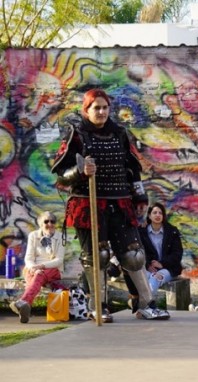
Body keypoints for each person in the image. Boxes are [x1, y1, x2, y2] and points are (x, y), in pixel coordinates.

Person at [51, 88, 169, 323]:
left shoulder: (120, 133)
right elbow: (61, 173)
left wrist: (140, 197)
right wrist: (80, 171)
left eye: (105, 107)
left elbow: (132, 169)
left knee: (134, 255)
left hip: (120, 202)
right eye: (97, 108)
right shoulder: (76, 135)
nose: (102, 112)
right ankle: (99, 306)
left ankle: (146, 303)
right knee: (98, 256)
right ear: (87, 109)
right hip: (88, 204)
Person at [11, 212, 65, 323]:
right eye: (46, 221)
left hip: (53, 269)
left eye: (52, 221)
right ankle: (25, 305)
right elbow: (28, 258)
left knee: (38, 274)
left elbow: (59, 260)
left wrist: (41, 266)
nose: (50, 224)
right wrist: (33, 268)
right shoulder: (33, 236)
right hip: (34, 269)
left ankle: (22, 302)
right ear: (40, 224)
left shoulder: (60, 237)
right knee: (36, 275)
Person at [139, 203, 184, 296]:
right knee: (144, 277)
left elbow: (177, 253)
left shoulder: (172, 231)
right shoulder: (142, 232)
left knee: (156, 278)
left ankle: (146, 305)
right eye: (154, 212)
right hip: (149, 269)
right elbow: (140, 251)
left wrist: (162, 263)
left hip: (169, 268)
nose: (158, 215)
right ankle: (147, 306)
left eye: (160, 213)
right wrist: (147, 265)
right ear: (149, 215)